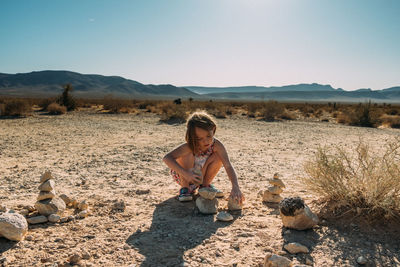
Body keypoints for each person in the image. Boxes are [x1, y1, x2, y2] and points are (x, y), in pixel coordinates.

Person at [163, 111, 245, 204]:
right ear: (192, 137)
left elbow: (228, 165)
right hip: (184, 175)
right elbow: (167, 158)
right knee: (187, 153)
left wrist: (235, 186)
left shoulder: (216, 145)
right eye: (199, 139)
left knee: (218, 156)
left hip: (201, 174)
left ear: (213, 129)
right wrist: (186, 174)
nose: (205, 141)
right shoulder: (190, 145)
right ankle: (185, 189)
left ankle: (205, 186)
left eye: (208, 136)